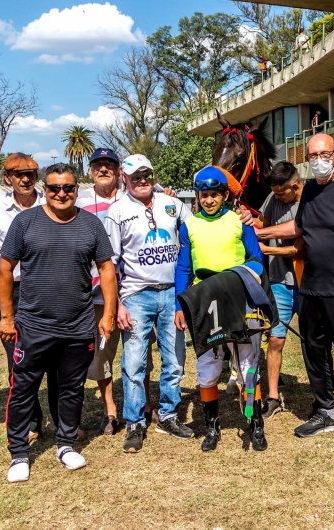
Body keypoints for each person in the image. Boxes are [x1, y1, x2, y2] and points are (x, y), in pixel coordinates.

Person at [0, 163, 116, 483]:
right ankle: (19, 452)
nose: (61, 194)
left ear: (76, 189)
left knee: (71, 388)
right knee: (23, 389)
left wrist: (107, 314)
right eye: (53, 188)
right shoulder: (25, 222)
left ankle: (65, 444)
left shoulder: (91, 224)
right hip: (33, 325)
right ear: (44, 190)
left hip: (77, 325)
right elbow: (4, 269)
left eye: (67, 188)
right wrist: (7, 317)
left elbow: (106, 269)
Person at [262, 133, 334, 452]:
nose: (318, 160)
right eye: (312, 155)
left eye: (323, 154)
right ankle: (326, 411)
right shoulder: (310, 190)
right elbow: (298, 229)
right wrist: (258, 232)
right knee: (314, 351)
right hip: (311, 287)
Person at [174, 165, 268, 452]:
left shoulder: (240, 222)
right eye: (204, 195)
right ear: (198, 197)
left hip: (239, 297)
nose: (209, 200)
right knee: (207, 366)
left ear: (225, 195)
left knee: (247, 365)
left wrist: (234, 277)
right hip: (205, 301)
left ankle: (255, 423)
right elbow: (183, 267)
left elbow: (257, 258)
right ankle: (211, 427)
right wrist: (180, 304)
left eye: (215, 195)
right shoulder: (189, 225)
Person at [105, 154, 193, 452]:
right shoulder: (116, 212)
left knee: (175, 359)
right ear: (124, 179)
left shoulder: (172, 204)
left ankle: (168, 415)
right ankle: (135, 422)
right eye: (135, 177)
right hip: (135, 294)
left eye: (147, 175)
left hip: (172, 293)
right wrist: (118, 303)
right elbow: (110, 264)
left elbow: (197, 232)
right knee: (134, 362)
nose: (142, 181)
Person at [0, 153, 54, 443]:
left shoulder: (50, 201)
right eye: (18, 173)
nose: (26, 179)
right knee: (19, 359)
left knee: (56, 357)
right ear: (6, 177)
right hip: (9, 290)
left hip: (48, 287)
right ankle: (31, 422)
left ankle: (63, 422)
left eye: (32, 173)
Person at [76, 147, 125, 436]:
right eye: (98, 165)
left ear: (119, 169)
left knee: (137, 352)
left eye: (109, 164)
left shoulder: (132, 194)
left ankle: (142, 406)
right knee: (101, 354)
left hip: (130, 289)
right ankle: (109, 410)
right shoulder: (79, 201)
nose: (104, 169)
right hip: (94, 292)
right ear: (91, 170)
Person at [256, 162, 303, 419]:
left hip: (307, 283)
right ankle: (273, 396)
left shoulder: (310, 200)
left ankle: (321, 396)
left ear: (294, 186)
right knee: (275, 340)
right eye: (274, 193)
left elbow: (300, 246)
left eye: (282, 193)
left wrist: (268, 248)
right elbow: (258, 223)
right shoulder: (273, 197)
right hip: (278, 282)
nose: (277, 197)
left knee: (314, 344)